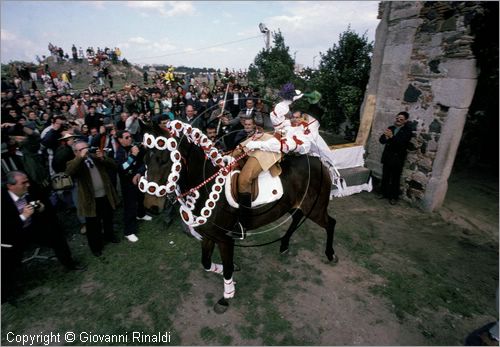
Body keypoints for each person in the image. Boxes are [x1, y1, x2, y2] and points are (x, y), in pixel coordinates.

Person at [1, 171, 85, 301]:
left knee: (56, 236)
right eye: (23, 183)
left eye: (27, 181)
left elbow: (46, 205)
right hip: (12, 234)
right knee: (6, 260)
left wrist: (42, 208)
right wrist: (23, 216)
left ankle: (69, 263)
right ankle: (6, 292)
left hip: (33, 227)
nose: (28, 185)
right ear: (10, 186)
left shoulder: (32, 187)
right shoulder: (2, 200)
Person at [66, 141, 120, 258]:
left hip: (105, 195)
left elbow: (114, 166)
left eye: (87, 148)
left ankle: (109, 236)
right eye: (82, 149)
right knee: (93, 226)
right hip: (91, 200)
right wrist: (81, 157)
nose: (86, 150)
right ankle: (96, 247)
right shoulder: (73, 163)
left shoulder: (96, 157)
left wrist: (103, 158)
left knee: (108, 218)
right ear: (76, 152)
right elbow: (70, 172)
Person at [115, 130, 152, 243]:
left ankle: (141, 214)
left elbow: (143, 163)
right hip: (126, 183)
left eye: (130, 136)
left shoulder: (134, 147)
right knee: (130, 206)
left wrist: (138, 173)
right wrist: (133, 156)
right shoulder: (118, 152)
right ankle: (129, 232)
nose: (129, 139)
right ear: (120, 140)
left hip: (138, 179)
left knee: (141, 198)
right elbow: (122, 168)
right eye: (126, 137)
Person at [378, 111, 413, 205]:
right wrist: (385, 136)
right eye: (397, 118)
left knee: (395, 179)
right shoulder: (391, 128)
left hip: (397, 158)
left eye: (401, 119)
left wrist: (392, 137)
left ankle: (394, 197)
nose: (398, 120)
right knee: (385, 177)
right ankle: (383, 193)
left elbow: (401, 144)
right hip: (387, 157)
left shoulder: (407, 131)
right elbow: (382, 141)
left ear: (405, 121)